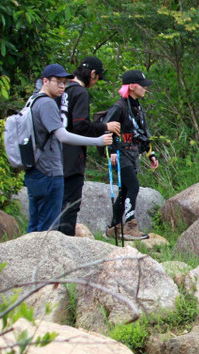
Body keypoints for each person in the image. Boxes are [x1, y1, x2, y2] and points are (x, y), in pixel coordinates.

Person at [25, 64, 113, 233]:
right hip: (49, 170)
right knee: (52, 225)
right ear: (45, 81)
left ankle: (29, 258)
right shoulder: (47, 103)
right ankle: (56, 257)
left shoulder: (32, 100)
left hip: (34, 168)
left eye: (64, 82)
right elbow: (63, 135)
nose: (62, 86)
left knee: (35, 225)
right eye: (58, 82)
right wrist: (98, 141)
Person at [58, 56, 121, 236]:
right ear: (92, 74)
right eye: (98, 78)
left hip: (55, 155)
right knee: (70, 205)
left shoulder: (63, 89)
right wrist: (104, 127)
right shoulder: (80, 93)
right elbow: (80, 126)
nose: (96, 82)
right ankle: (64, 244)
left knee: (58, 203)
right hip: (72, 156)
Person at [104, 69, 158, 240]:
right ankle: (130, 225)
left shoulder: (137, 107)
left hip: (133, 154)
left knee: (126, 189)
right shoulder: (119, 107)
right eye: (143, 86)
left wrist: (151, 154)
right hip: (120, 154)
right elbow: (106, 129)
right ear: (133, 86)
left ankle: (114, 227)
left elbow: (142, 133)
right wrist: (112, 151)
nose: (145, 89)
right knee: (133, 186)